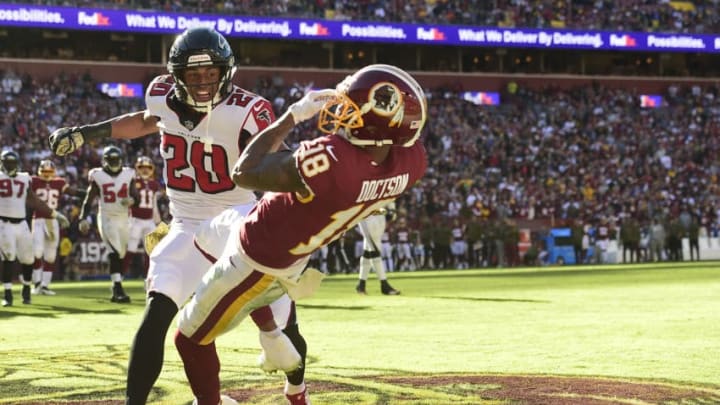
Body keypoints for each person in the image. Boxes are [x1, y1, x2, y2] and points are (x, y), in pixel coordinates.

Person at [48, 27, 302, 405]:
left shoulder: (249, 109)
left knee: (284, 319)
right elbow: (147, 119)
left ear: (225, 71)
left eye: (210, 73)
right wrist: (87, 133)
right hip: (186, 225)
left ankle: (297, 391)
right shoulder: (162, 94)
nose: (202, 81)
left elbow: (274, 154)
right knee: (157, 314)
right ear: (177, 74)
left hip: (238, 217)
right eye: (193, 74)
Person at [172, 63, 428, 405]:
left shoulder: (333, 163)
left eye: (350, 113)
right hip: (289, 249)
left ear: (376, 127)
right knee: (210, 240)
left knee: (187, 338)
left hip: (257, 261)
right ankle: (279, 350)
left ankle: (211, 402)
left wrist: (293, 115)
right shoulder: (412, 161)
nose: (340, 116)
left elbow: (244, 172)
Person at [1, 150, 69, 306]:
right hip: (4, 224)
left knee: (29, 259)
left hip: (22, 224)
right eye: (7, 163)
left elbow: (35, 201)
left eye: (12, 163)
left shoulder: (24, 178)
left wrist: (54, 214)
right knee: (9, 257)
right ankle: (8, 294)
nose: (9, 166)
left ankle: (26, 289)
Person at [78, 145, 137, 303]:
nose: (114, 162)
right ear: (105, 161)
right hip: (107, 216)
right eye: (111, 159)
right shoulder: (98, 175)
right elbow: (89, 199)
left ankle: (115, 288)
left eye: (116, 159)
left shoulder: (128, 173)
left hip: (124, 217)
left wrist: (133, 200)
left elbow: (135, 195)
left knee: (122, 253)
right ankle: (118, 288)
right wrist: (83, 217)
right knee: (115, 252)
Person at [30, 159, 70, 295]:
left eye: (49, 171)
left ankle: (45, 285)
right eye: (44, 171)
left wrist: (84, 194)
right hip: (38, 220)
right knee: (37, 252)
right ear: (39, 171)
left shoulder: (59, 182)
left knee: (51, 255)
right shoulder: (33, 181)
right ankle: (36, 283)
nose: (47, 174)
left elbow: (71, 191)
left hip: (53, 220)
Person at [126, 156, 163, 278]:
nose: (145, 170)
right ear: (137, 168)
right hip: (135, 220)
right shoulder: (133, 181)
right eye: (142, 167)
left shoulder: (154, 184)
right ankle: (118, 278)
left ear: (152, 169)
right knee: (131, 249)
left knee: (151, 251)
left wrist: (157, 221)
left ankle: (149, 278)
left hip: (149, 221)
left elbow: (154, 205)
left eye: (148, 168)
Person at [355, 201, 401, 295]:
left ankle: (361, 284)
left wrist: (391, 209)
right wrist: (391, 209)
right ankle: (384, 284)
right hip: (366, 214)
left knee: (368, 251)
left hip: (379, 215)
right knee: (374, 250)